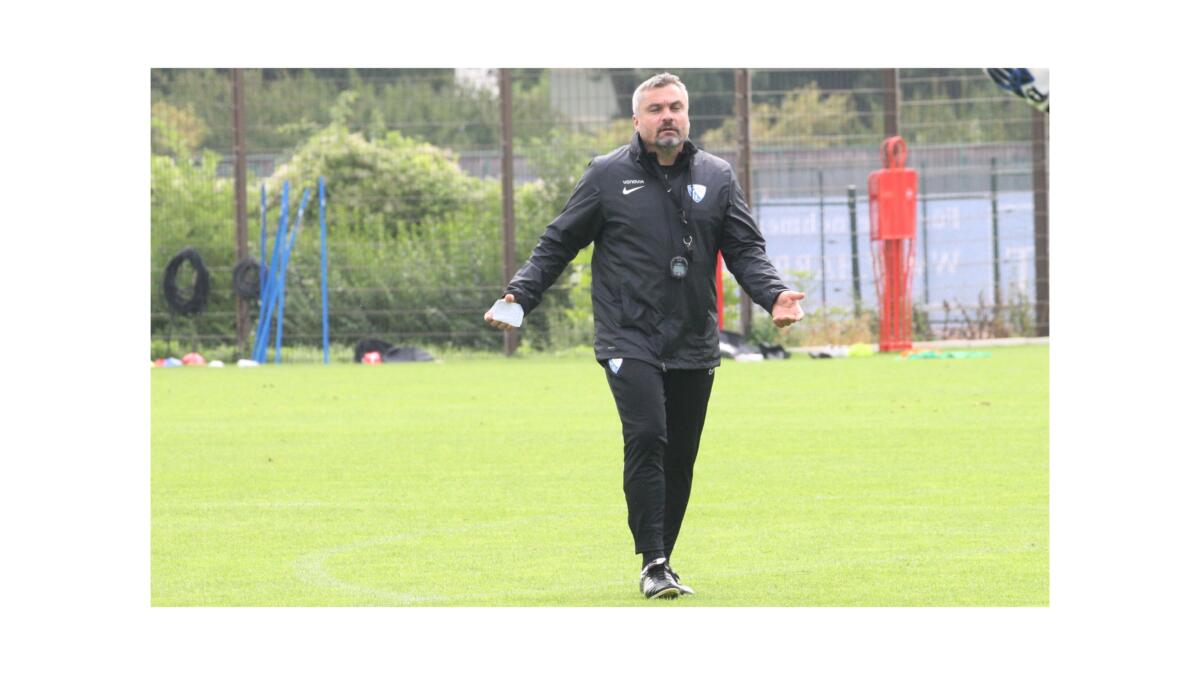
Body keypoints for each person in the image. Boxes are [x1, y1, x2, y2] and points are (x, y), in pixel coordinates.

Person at [485, 72, 805, 599]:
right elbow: (558, 241)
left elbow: (745, 249)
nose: (667, 116)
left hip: (693, 339)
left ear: (688, 115)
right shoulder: (607, 175)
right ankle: (652, 560)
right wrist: (521, 294)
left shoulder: (718, 176)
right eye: (656, 108)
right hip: (627, 335)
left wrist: (773, 296)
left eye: (675, 106)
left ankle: (664, 559)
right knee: (648, 435)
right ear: (637, 120)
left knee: (680, 453)